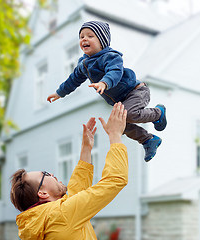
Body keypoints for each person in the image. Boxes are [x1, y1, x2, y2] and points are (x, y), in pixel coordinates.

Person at [47, 20, 167, 162]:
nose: (84, 39)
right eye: (81, 37)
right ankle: (148, 140)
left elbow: (114, 72)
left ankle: (158, 113)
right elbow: (73, 80)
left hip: (136, 91)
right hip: (121, 101)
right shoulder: (83, 64)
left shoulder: (111, 56)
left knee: (129, 114)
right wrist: (59, 93)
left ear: (102, 41)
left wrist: (105, 82)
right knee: (116, 125)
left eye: (90, 36)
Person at [10, 102, 128, 239]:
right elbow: (115, 180)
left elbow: (74, 194)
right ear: (42, 193)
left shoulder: (42, 220)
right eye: (45, 174)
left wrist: (86, 149)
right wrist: (115, 135)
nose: (52, 174)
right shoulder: (62, 214)